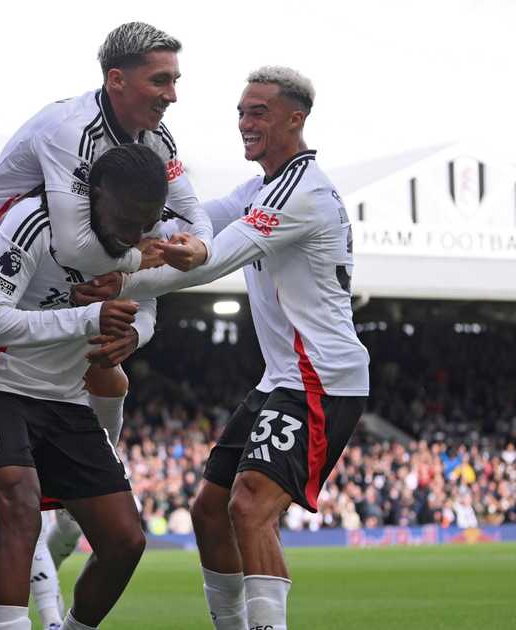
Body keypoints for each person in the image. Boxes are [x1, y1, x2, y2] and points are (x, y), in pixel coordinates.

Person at [0, 21, 213, 625]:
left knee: (108, 375)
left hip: (63, 266)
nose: (171, 93)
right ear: (117, 80)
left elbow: (195, 222)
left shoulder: (155, 142)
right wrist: (150, 261)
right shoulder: (70, 130)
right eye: (159, 79)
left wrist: (197, 251)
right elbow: (77, 244)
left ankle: (83, 497)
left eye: (175, 79)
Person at [74, 67, 370, 630]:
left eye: (258, 111)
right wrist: (142, 232)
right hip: (280, 379)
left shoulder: (300, 191)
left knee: (250, 507)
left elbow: (215, 254)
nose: (245, 122)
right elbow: (202, 222)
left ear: (294, 118)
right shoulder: (261, 187)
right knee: (210, 510)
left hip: (320, 379)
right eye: (240, 111)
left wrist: (126, 275)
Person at [0, 144, 164, 630]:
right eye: (126, 221)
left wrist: (134, 335)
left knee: (125, 541)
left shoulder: (143, 239)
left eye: (145, 225)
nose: (134, 236)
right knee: (20, 505)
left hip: (68, 400)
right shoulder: (36, 221)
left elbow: (149, 304)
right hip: (0, 389)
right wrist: (85, 315)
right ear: (94, 197)